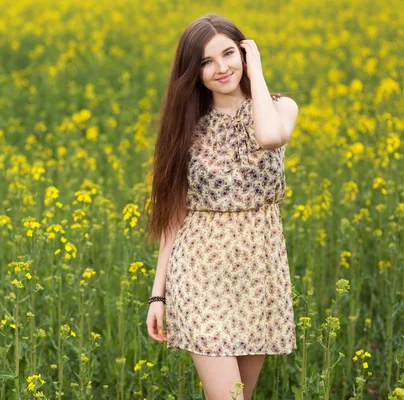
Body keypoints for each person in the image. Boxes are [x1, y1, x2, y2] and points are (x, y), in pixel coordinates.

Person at [143, 13, 299, 400]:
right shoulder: (187, 126)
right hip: (199, 273)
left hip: (259, 272)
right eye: (205, 62)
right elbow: (175, 214)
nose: (221, 68)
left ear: (245, 52)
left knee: (241, 396)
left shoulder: (281, 108)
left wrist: (256, 69)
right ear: (193, 73)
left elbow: (268, 136)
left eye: (229, 53)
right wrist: (157, 294)